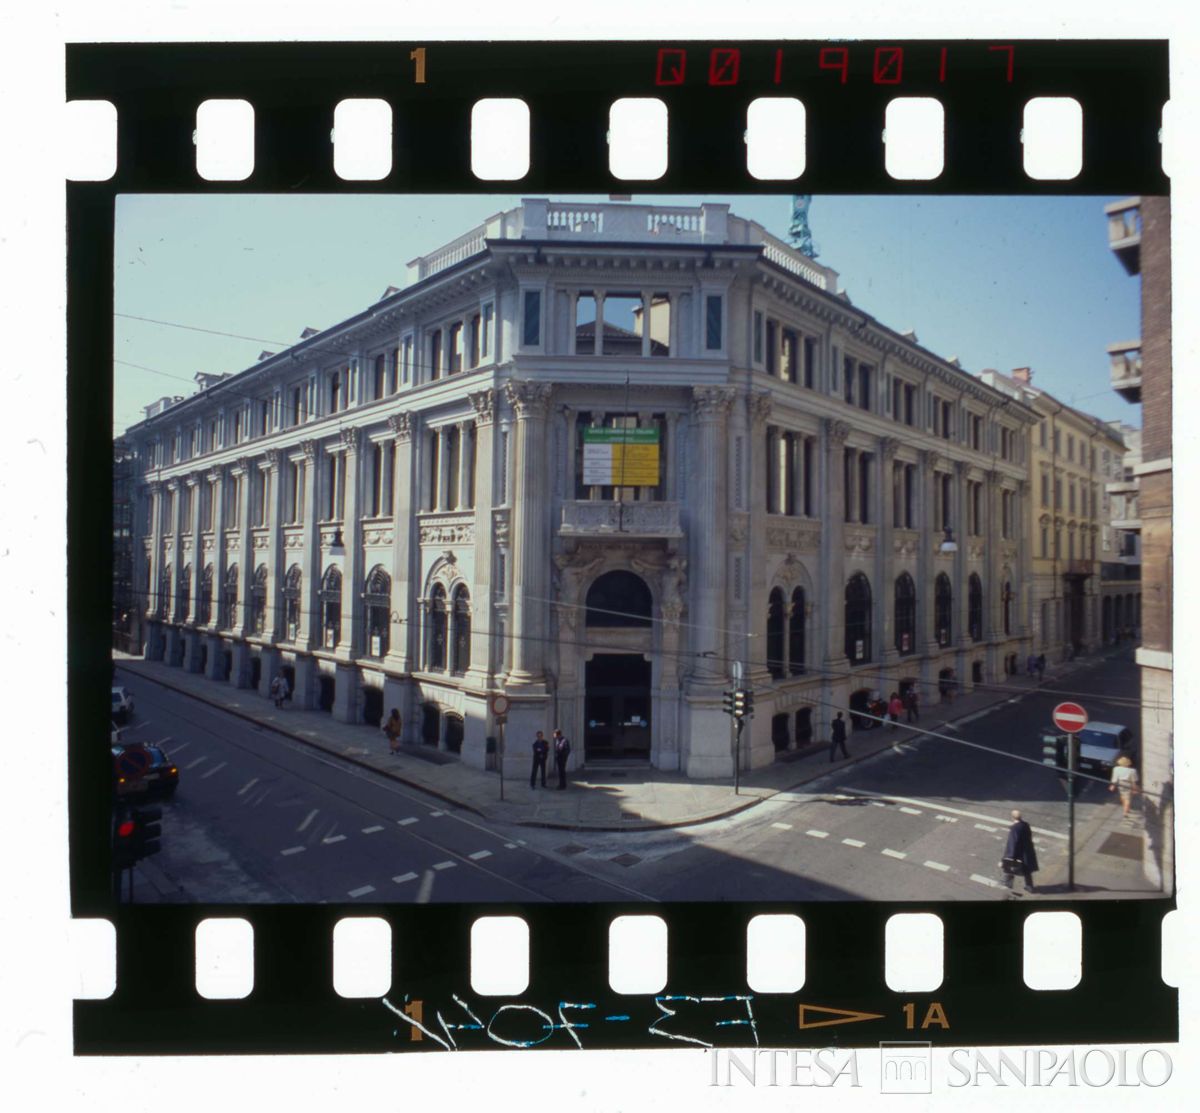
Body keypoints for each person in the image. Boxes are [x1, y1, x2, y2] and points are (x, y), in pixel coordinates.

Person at [1000, 809, 1039, 895]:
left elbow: (1013, 843)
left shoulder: (1014, 828)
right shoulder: (1026, 825)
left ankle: (1007, 882)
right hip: (1027, 851)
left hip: (1018, 853)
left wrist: (1010, 856)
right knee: (1026, 870)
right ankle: (1029, 886)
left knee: (1010, 866)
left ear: (1013, 817)